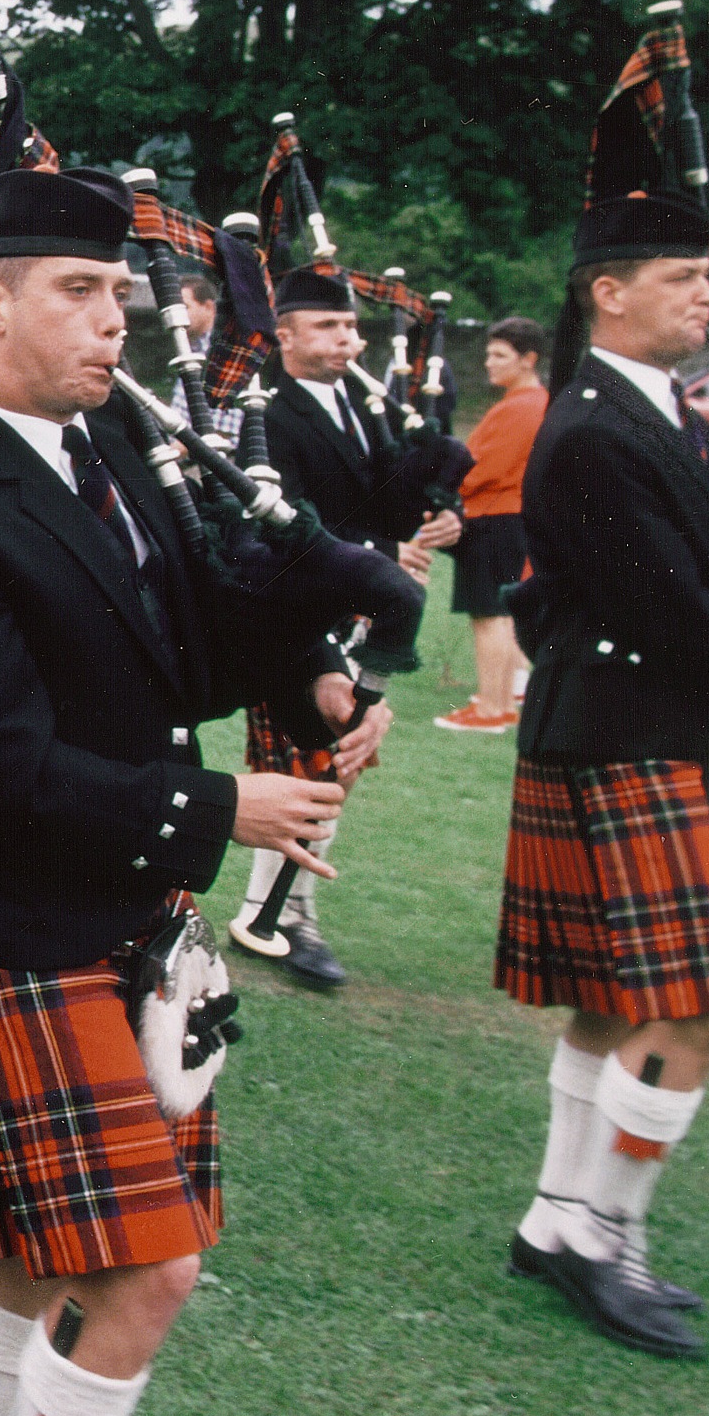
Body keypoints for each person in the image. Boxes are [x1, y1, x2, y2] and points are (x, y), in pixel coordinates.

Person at [0, 167, 384, 1416]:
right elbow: (2, 767)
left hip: (123, 925)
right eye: (79, 293)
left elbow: (187, 639)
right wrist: (225, 812)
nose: (114, 323)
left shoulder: (99, 453)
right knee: (146, 1270)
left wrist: (307, 677)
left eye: (119, 296)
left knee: (24, 1260)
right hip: (25, 931)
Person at [497, 191, 709, 1360]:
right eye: (682, 276)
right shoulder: (595, 429)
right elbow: (671, 607)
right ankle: (601, 1240)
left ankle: (553, 1216)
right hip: (628, 734)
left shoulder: (667, 413)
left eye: (708, 276)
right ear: (607, 292)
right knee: (703, 1004)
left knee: (615, 998)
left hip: (656, 733)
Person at [222, 267, 458, 987]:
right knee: (304, 760)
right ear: (285, 334)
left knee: (335, 761)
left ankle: (280, 910)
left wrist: (445, 514)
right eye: (327, 326)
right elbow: (283, 522)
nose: (346, 340)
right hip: (298, 608)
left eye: (351, 327)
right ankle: (280, 917)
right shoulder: (267, 410)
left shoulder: (361, 401)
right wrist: (388, 555)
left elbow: (390, 495)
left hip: (362, 602)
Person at [438, 316, 549, 732]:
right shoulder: (528, 402)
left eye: (499, 355)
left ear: (528, 359)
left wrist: (443, 487)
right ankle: (498, 703)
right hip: (508, 517)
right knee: (498, 615)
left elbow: (481, 469)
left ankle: (489, 709)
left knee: (488, 615)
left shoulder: (523, 407)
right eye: (489, 353)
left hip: (494, 516)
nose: (489, 363)